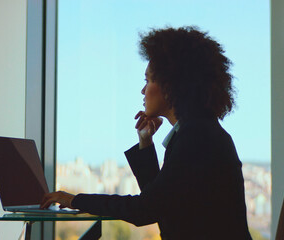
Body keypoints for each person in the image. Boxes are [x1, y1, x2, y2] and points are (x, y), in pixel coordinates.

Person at [40, 26, 252, 239]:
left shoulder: (196, 137)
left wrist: (75, 200)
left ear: (171, 86)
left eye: (148, 80)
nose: (143, 90)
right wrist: (145, 142)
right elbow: (160, 203)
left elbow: (145, 210)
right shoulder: (199, 132)